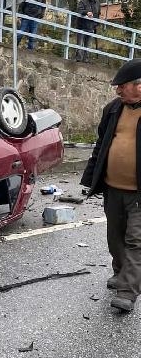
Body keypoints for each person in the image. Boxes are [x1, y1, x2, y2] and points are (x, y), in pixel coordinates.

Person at [81, 59, 141, 312]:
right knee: (114, 236)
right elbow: (101, 145)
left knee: (136, 241)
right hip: (113, 188)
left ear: (140, 86)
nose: (117, 90)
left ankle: (128, 290)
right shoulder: (113, 109)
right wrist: (90, 178)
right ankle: (121, 273)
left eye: (121, 86)